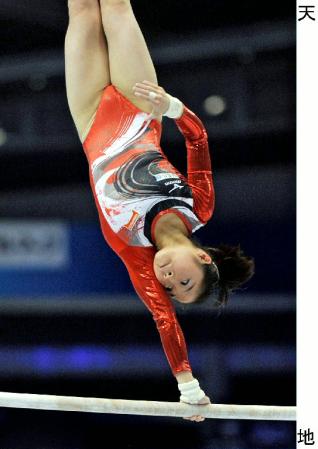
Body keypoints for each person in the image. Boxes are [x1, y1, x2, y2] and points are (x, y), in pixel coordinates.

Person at [65, 0, 254, 422]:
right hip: (144, 105)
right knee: (114, 7)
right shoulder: (198, 207)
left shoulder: (132, 248)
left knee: (82, 11)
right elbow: (198, 141)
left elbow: (165, 321)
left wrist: (188, 387)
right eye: (184, 280)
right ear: (203, 257)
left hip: (90, 117)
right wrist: (173, 109)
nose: (168, 281)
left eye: (171, 287)